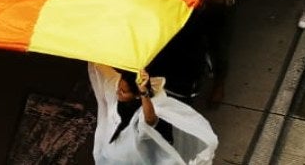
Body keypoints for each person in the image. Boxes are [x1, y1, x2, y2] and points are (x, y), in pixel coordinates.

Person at [87, 63, 217, 164]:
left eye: (123, 91)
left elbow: (150, 121)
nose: (118, 92)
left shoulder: (148, 108)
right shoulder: (118, 93)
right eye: (119, 88)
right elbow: (104, 72)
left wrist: (144, 92)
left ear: (137, 95)